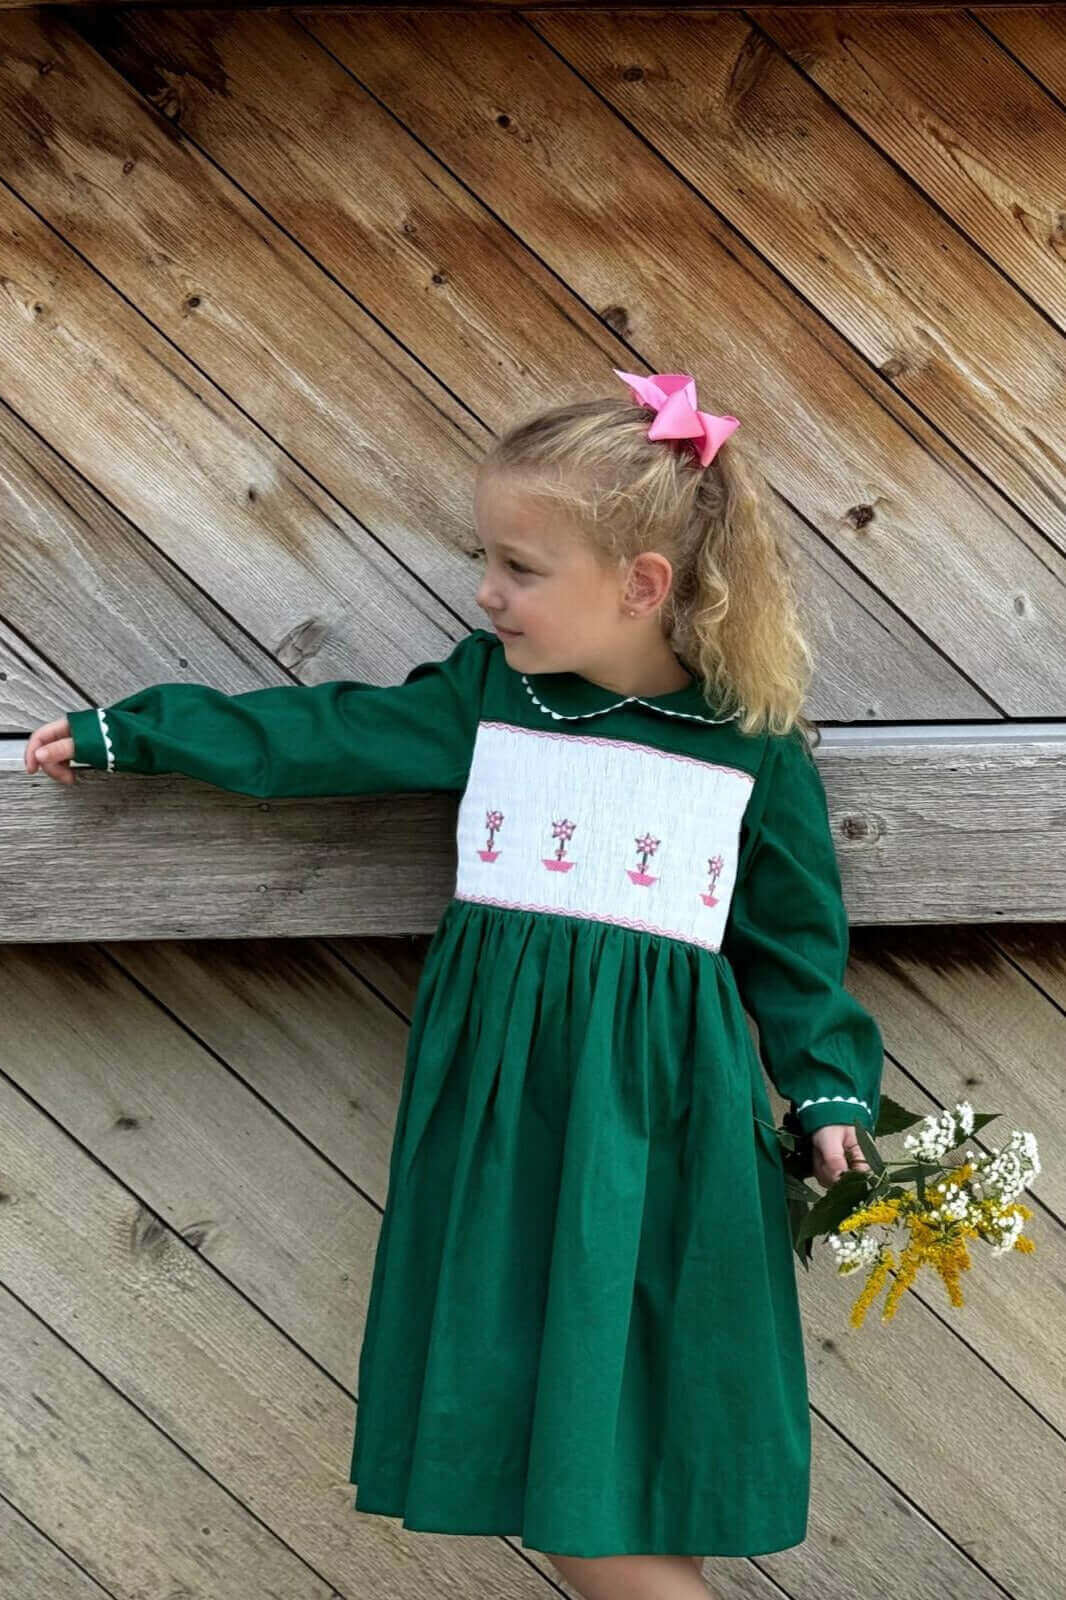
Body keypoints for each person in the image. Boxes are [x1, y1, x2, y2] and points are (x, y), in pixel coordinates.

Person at [25, 369, 883, 1597]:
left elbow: (796, 951)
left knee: (613, 1479)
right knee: (574, 1465)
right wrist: (145, 732)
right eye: (487, 558)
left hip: (665, 1143)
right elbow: (318, 735)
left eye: (521, 567)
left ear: (641, 583)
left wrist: (832, 1095)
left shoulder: (747, 743)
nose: (487, 591)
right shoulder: (493, 697)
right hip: (508, 1132)